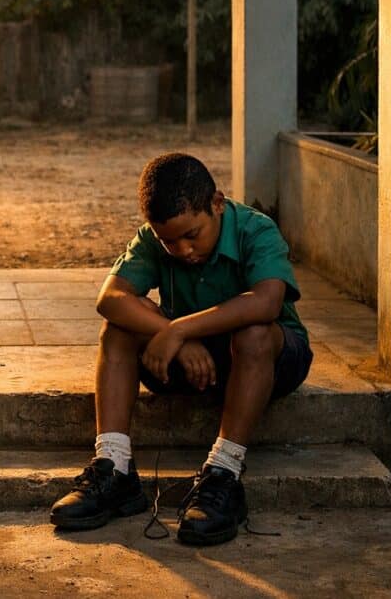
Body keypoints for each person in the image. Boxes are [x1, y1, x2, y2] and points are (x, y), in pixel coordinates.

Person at [49, 152, 312, 546]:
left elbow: (267, 302)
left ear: (217, 203)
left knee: (254, 332)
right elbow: (111, 297)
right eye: (169, 241)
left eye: (193, 235)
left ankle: (223, 474)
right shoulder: (154, 240)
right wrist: (178, 338)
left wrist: (179, 329)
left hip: (268, 361)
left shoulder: (256, 230)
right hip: (190, 364)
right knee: (118, 328)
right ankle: (114, 467)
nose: (183, 249)